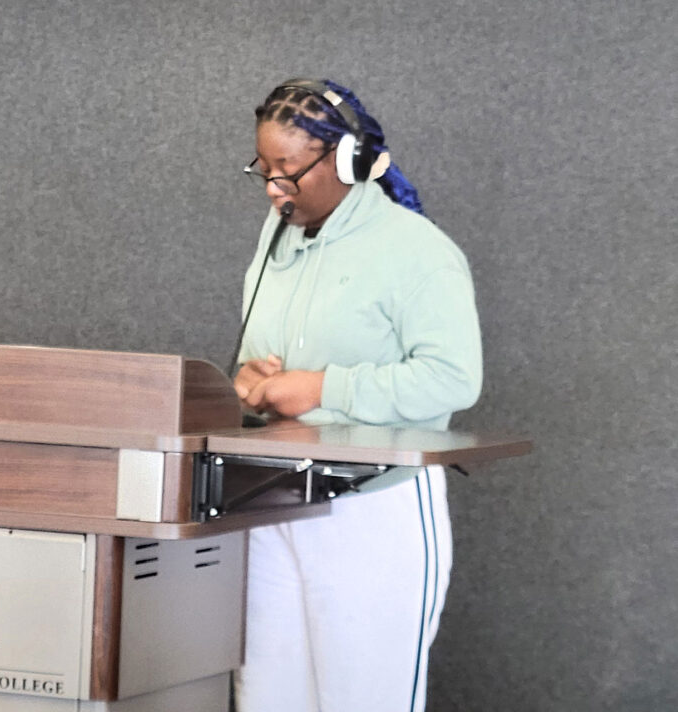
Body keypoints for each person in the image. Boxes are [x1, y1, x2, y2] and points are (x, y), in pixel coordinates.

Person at [232, 78, 483, 711]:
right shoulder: (279, 235)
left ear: (348, 160)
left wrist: (319, 387)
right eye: (263, 172)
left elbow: (454, 379)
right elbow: (262, 356)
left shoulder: (418, 252)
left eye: (289, 172)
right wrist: (247, 383)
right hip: (271, 498)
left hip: (373, 508)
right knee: (268, 698)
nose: (273, 189)